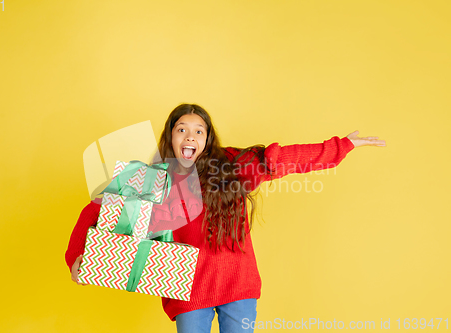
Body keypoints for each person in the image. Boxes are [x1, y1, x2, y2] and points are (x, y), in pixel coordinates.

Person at [65, 103, 386, 333]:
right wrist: (77, 257)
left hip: (238, 285)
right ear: (170, 137)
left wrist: (341, 147)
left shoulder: (231, 167)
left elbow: (282, 159)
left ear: (207, 139)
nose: (189, 136)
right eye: (182, 129)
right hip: (189, 291)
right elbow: (95, 212)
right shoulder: (151, 179)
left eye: (198, 131)